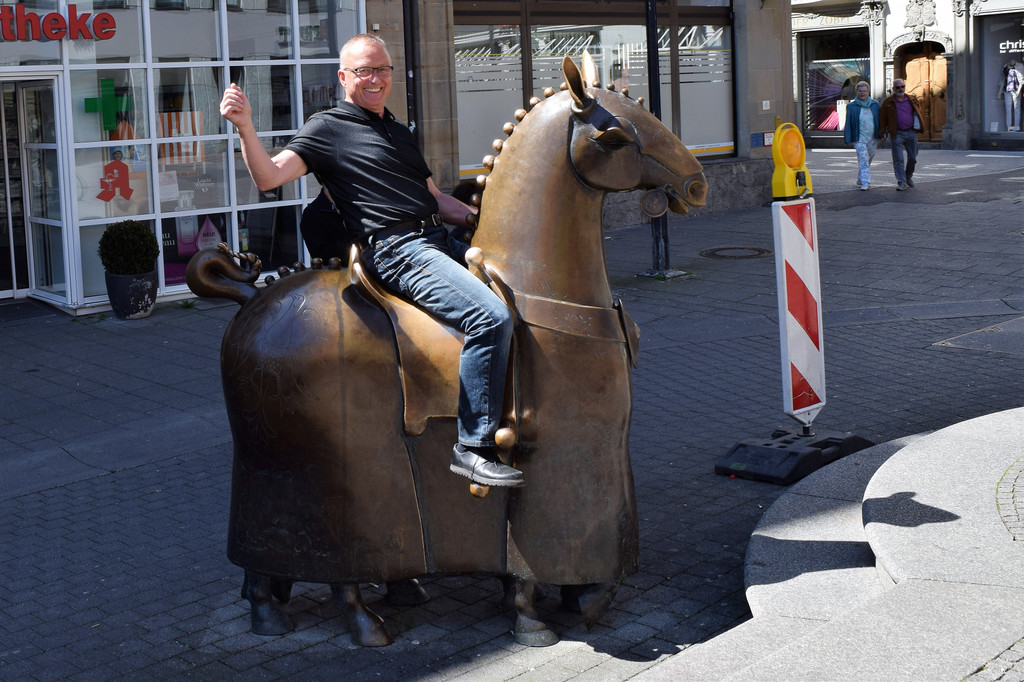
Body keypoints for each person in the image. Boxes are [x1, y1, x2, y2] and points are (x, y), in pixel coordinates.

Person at [219, 34, 524, 488]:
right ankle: (473, 447)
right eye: (364, 70)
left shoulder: (398, 131)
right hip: (398, 250)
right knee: (490, 317)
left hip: (438, 239)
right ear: (343, 77)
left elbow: (435, 198)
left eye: (382, 69)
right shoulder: (326, 127)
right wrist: (245, 127)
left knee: (525, 288)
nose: (375, 78)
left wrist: (481, 218)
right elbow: (270, 177)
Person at [879, 78, 924, 191]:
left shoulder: (912, 99)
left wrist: (920, 126)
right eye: (898, 87)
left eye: (902, 86)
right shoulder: (887, 102)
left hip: (911, 132)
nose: (900, 89)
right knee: (898, 159)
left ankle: (908, 177)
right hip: (896, 133)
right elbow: (882, 119)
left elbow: (918, 113)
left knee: (913, 158)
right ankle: (902, 182)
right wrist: (882, 132)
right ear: (893, 89)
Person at [843, 80, 880, 191]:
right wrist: (848, 138)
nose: (862, 93)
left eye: (864, 91)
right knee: (863, 158)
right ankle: (865, 182)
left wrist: (883, 133)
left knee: (868, 159)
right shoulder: (851, 106)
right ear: (857, 92)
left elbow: (880, 120)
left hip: (872, 137)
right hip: (859, 138)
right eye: (860, 91)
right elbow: (848, 122)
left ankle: (860, 178)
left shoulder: (875, 105)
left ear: (868, 92)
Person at [999, 60, 1024, 131]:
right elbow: (1003, 79)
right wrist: (1000, 91)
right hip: (1007, 90)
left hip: (1015, 89)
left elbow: (1021, 79)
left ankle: (1016, 127)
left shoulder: (1020, 66)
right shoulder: (1005, 66)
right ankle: (1009, 127)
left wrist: (1018, 90)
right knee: (1008, 109)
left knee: (1016, 109)